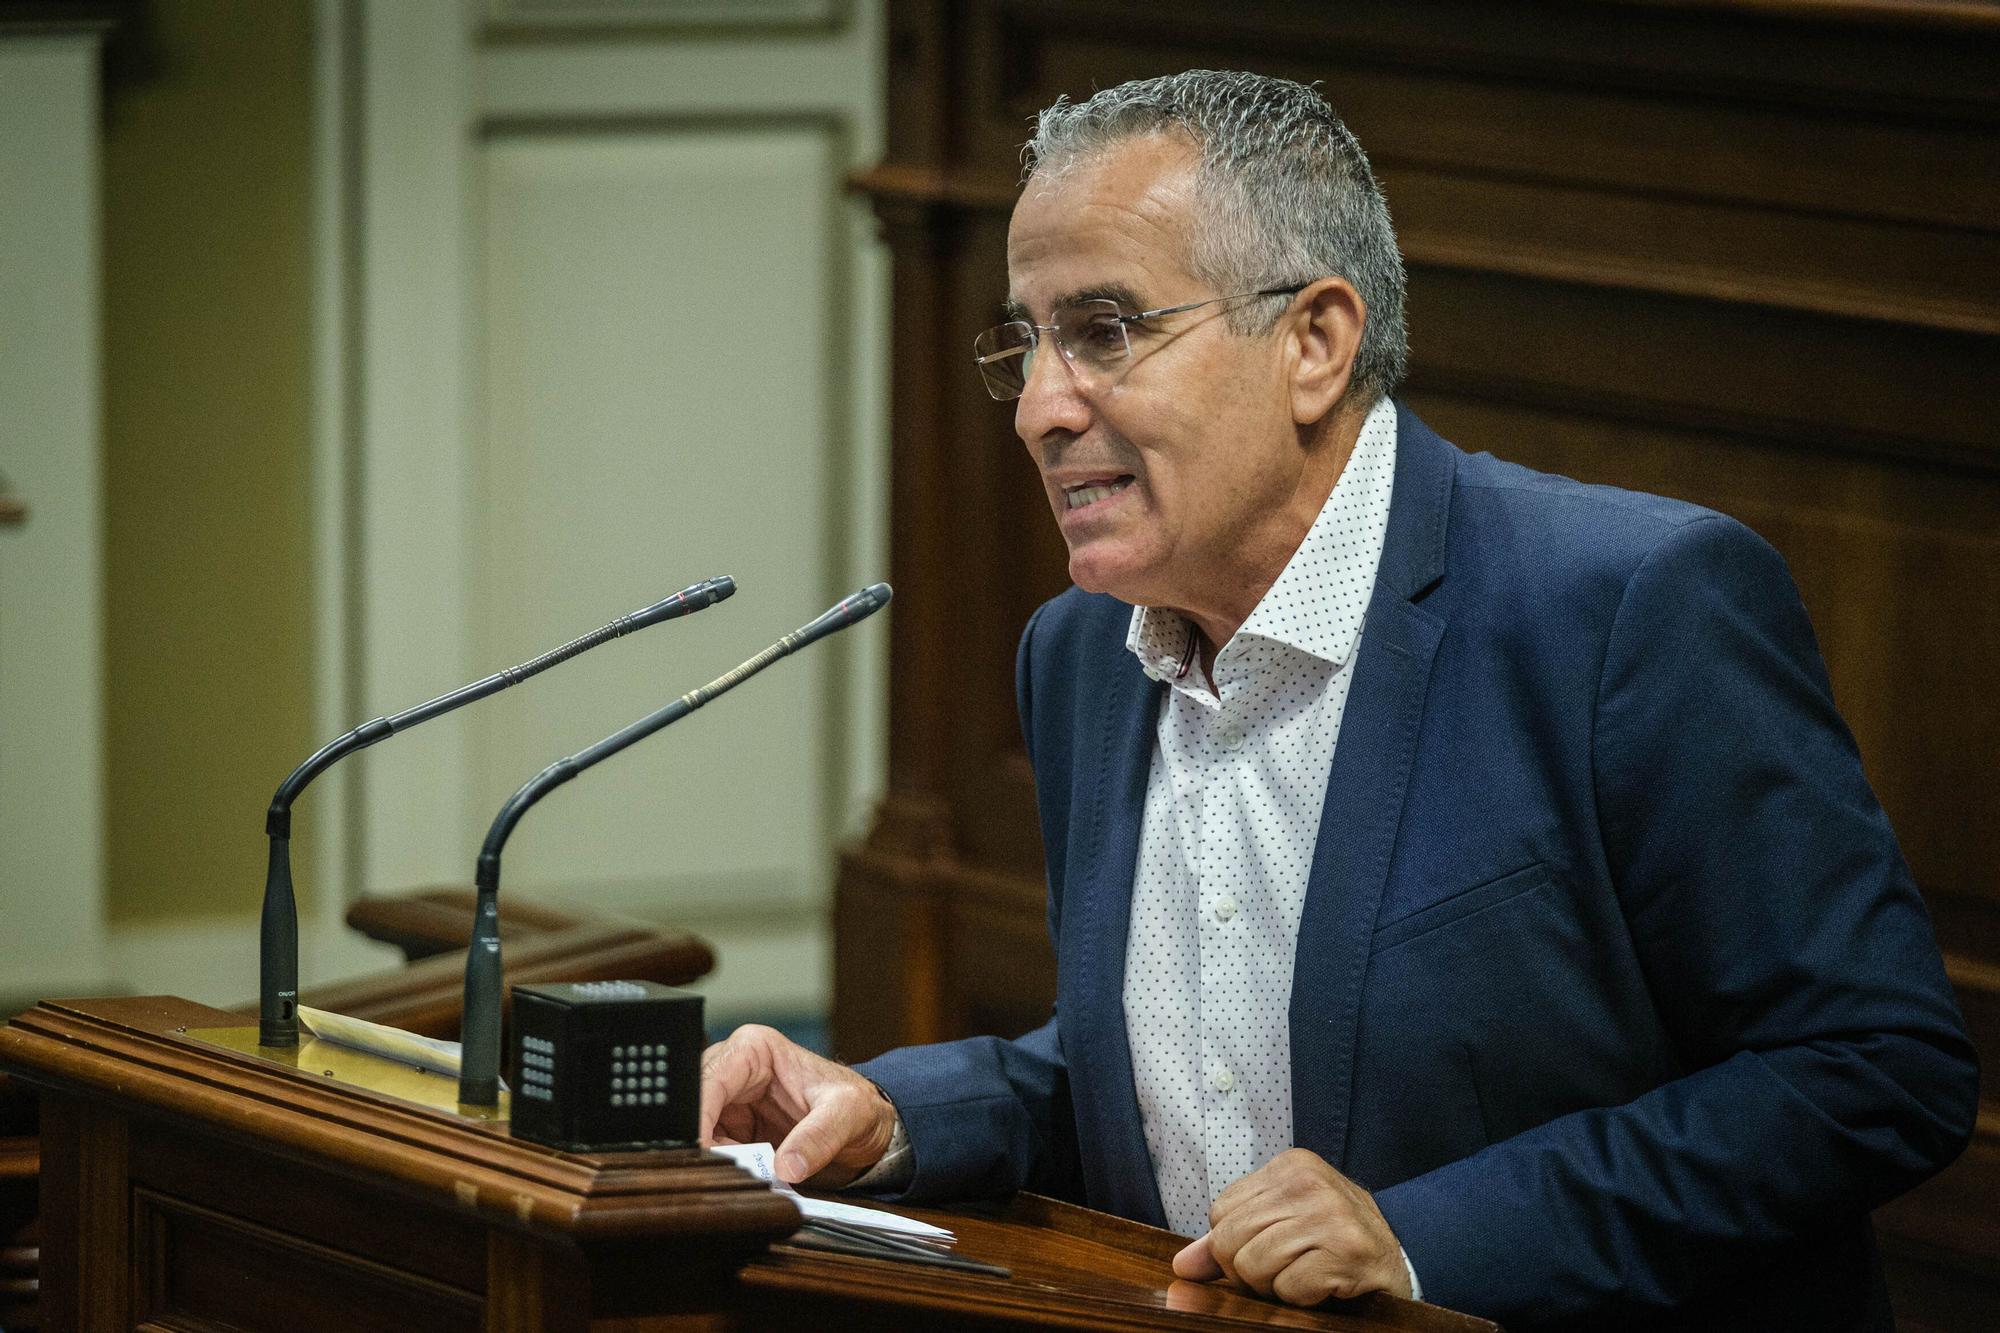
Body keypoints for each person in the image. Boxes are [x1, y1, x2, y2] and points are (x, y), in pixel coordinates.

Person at [699, 70, 1976, 1330]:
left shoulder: (1625, 609)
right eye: (1024, 342)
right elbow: (1177, 1068)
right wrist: (895, 1114)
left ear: (1313, 342)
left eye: (1104, 332)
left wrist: (1422, 1238)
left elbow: (1868, 1071)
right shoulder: (1080, 655)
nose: (1039, 408)